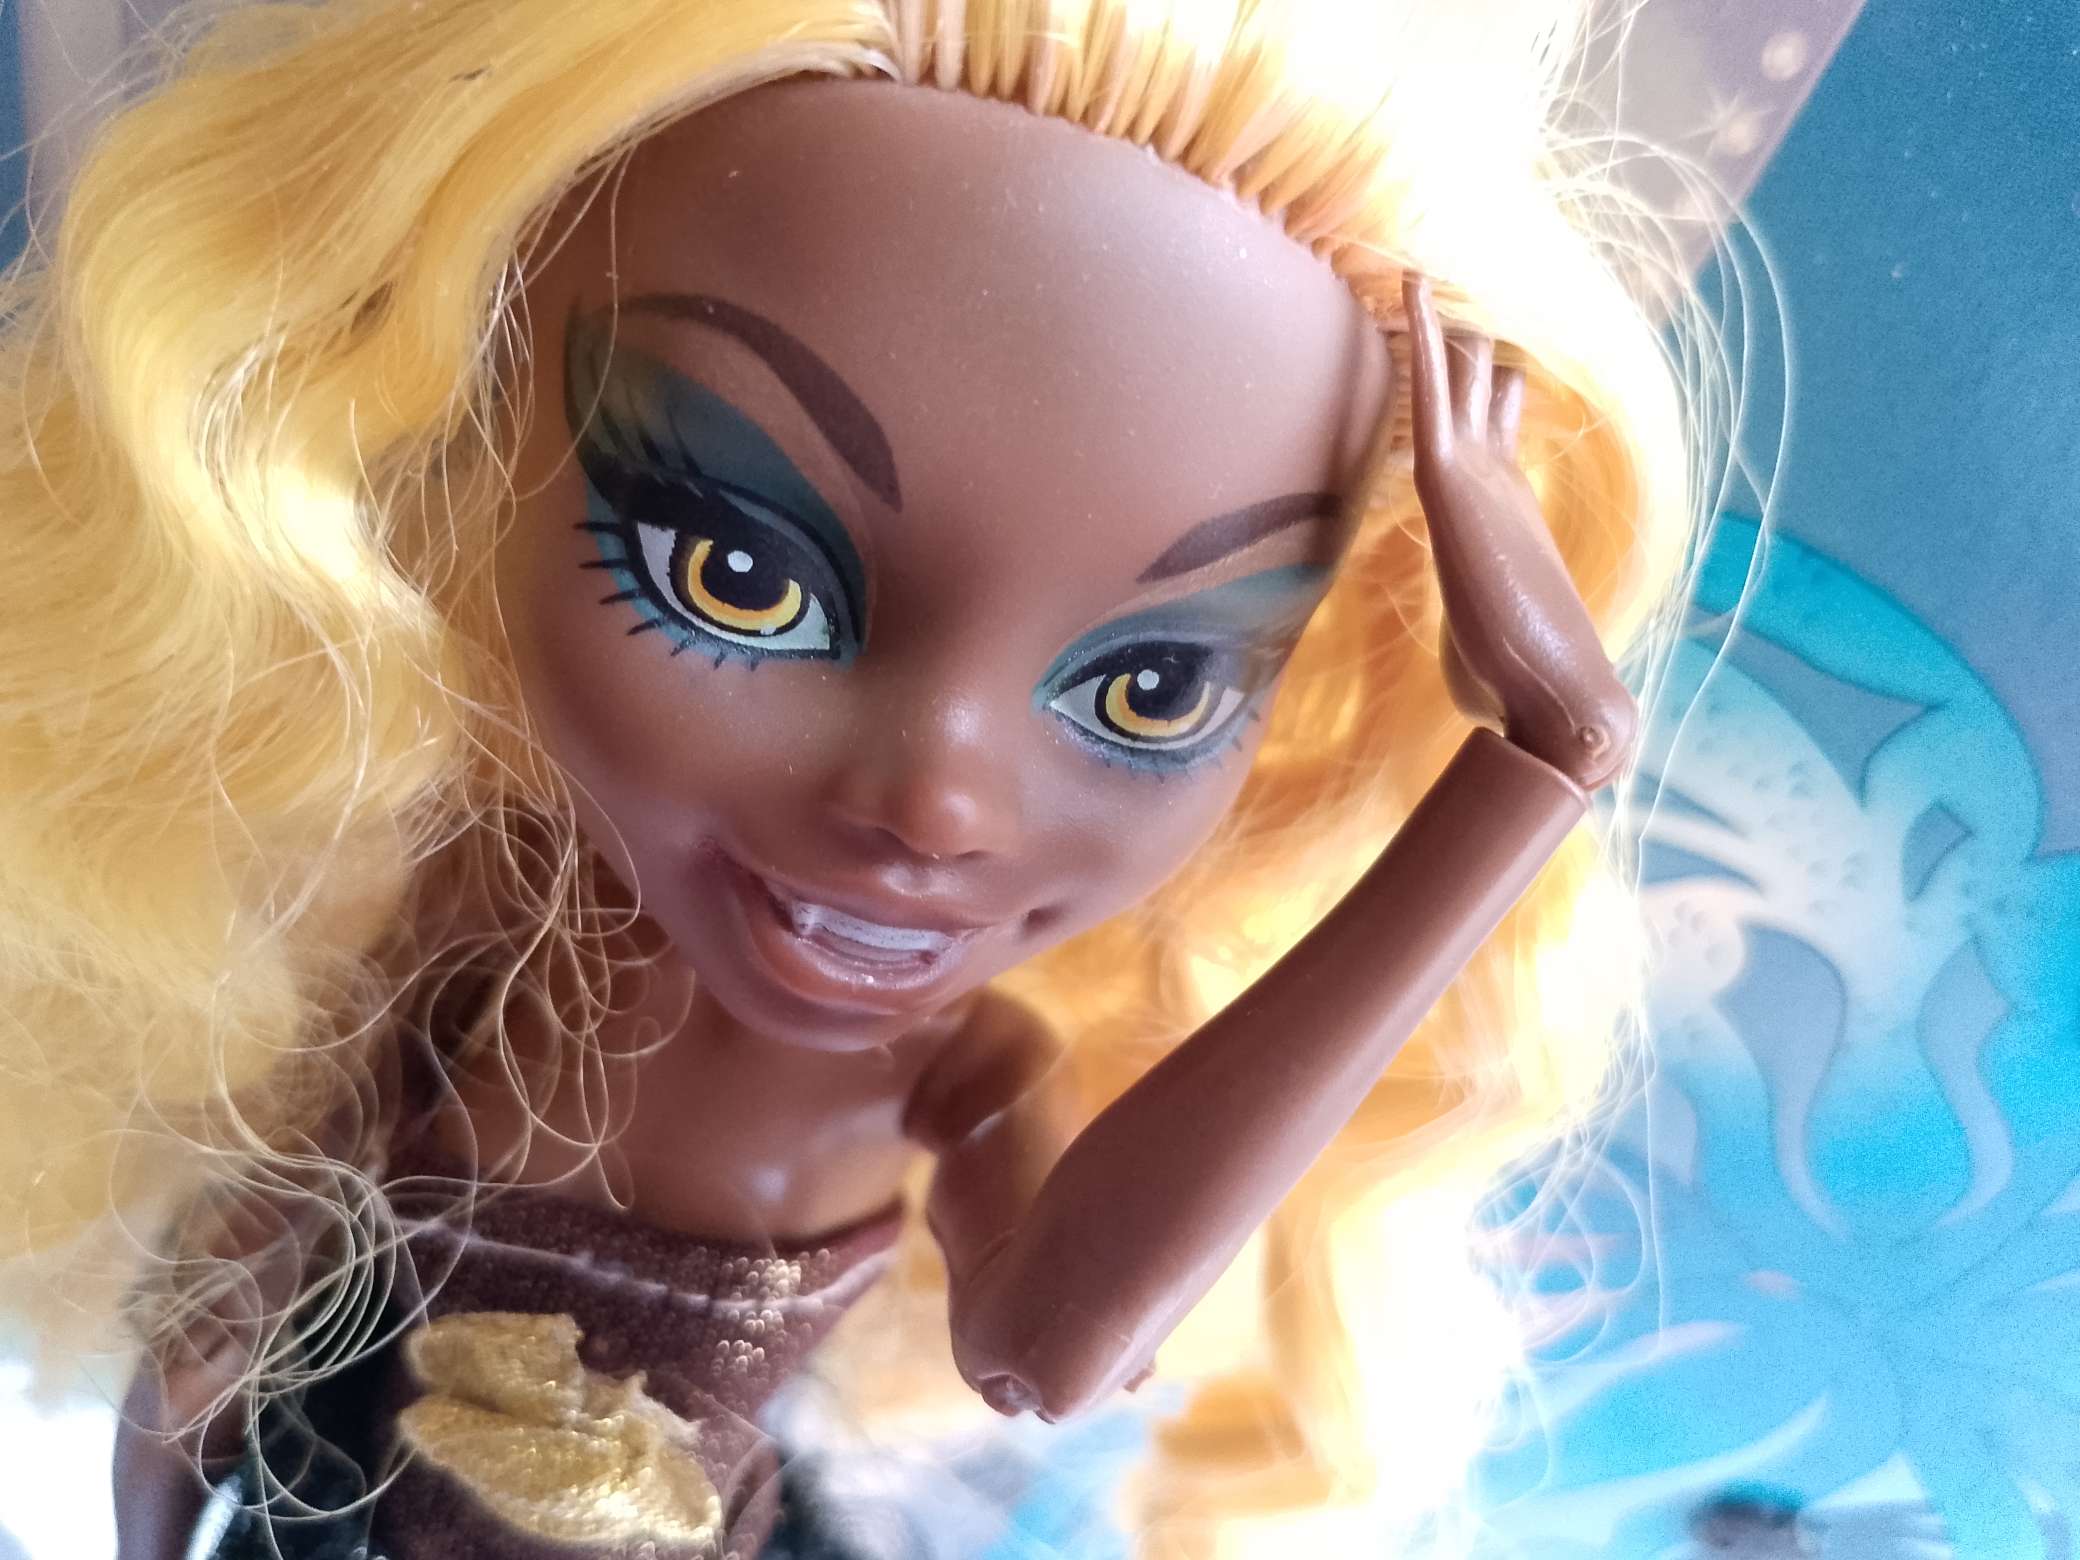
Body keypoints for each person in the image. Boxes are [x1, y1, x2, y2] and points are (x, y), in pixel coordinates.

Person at [0, 1, 1699, 1554]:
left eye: (1150, 687)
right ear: (479, 428)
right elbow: (256, 1261)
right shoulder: (495, 908)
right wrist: (160, 1493)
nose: (938, 812)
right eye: (736, 573)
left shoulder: (954, 1070)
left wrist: (1536, 773)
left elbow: (1049, 1349)